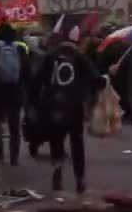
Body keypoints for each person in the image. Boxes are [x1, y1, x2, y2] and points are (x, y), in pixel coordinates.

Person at [34, 30, 101, 194]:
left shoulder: (49, 58)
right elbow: (96, 79)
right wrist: (106, 78)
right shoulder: (80, 58)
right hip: (75, 106)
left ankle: (57, 170)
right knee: (77, 143)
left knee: (56, 141)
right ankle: (80, 179)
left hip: (54, 106)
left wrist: (34, 104)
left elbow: (36, 81)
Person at [0, 23, 31, 166]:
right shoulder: (20, 49)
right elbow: (27, 72)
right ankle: (14, 157)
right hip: (15, 91)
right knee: (14, 126)